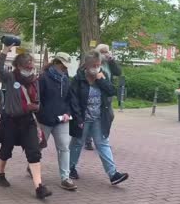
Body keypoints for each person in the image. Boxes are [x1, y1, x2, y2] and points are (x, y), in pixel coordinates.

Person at [0, 45, 52, 200]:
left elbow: (37, 99)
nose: (30, 69)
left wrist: (36, 106)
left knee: (34, 152)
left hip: (28, 121)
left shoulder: (34, 80)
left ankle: (39, 187)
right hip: (11, 121)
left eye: (32, 67)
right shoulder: (11, 77)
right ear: (18, 67)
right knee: (6, 150)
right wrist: (5, 51)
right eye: (27, 67)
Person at [68, 50, 129, 185]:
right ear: (87, 65)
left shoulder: (102, 76)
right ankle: (70, 168)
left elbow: (111, 91)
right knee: (77, 143)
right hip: (83, 117)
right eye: (94, 65)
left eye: (98, 65)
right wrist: (78, 119)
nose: (96, 67)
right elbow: (73, 101)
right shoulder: (78, 79)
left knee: (103, 143)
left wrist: (101, 80)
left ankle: (113, 174)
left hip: (98, 118)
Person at [35, 52, 77, 190]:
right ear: (56, 63)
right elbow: (37, 100)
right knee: (39, 147)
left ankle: (65, 178)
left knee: (64, 147)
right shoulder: (43, 78)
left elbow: (69, 99)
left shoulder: (66, 79)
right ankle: (32, 166)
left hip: (62, 120)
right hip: (45, 120)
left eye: (66, 67)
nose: (65, 69)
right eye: (63, 66)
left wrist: (68, 113)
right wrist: (41, 116)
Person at [85, 44, 122, 150]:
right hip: (96, 94)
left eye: (107, 52)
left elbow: (118, 72)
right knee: (92, 117)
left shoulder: (109, 63)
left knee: (109, 116)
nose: (105, 54)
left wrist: (112, 60)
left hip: (107, 93)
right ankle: (88, 140)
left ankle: (103, 138)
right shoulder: (94, 63)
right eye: (103, 52)